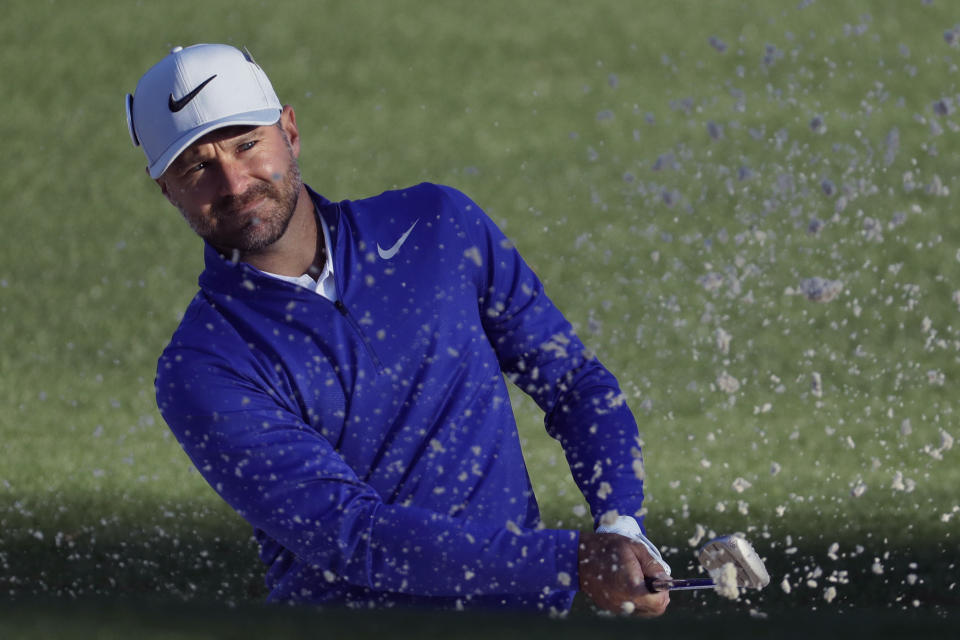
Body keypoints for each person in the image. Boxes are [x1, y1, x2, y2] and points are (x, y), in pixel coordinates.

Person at [127, 43, 671, 616]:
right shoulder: (202, 367)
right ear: (166, 188)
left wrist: (622, 523)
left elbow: (572, 383)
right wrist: (570, 562)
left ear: (289, 130)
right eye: (198, 167)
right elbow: (354, 537)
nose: (234, 183)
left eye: (245, 145)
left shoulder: (437, 223)